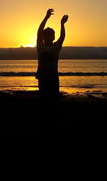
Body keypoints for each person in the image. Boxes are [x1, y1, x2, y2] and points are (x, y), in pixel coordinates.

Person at [36, 8, 68, 137]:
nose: (49, 38)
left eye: (51, 36)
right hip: (43, 78)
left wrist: (62, 24)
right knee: (44, 102)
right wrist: (46, 17)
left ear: (53, 37)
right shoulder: (40, 46)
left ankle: (54, 124)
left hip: (54, 78)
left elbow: (62, 37)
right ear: (44, 38)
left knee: (54, 102)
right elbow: (38, 32)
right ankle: (45, 124)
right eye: (46, 36)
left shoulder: (56, 47)